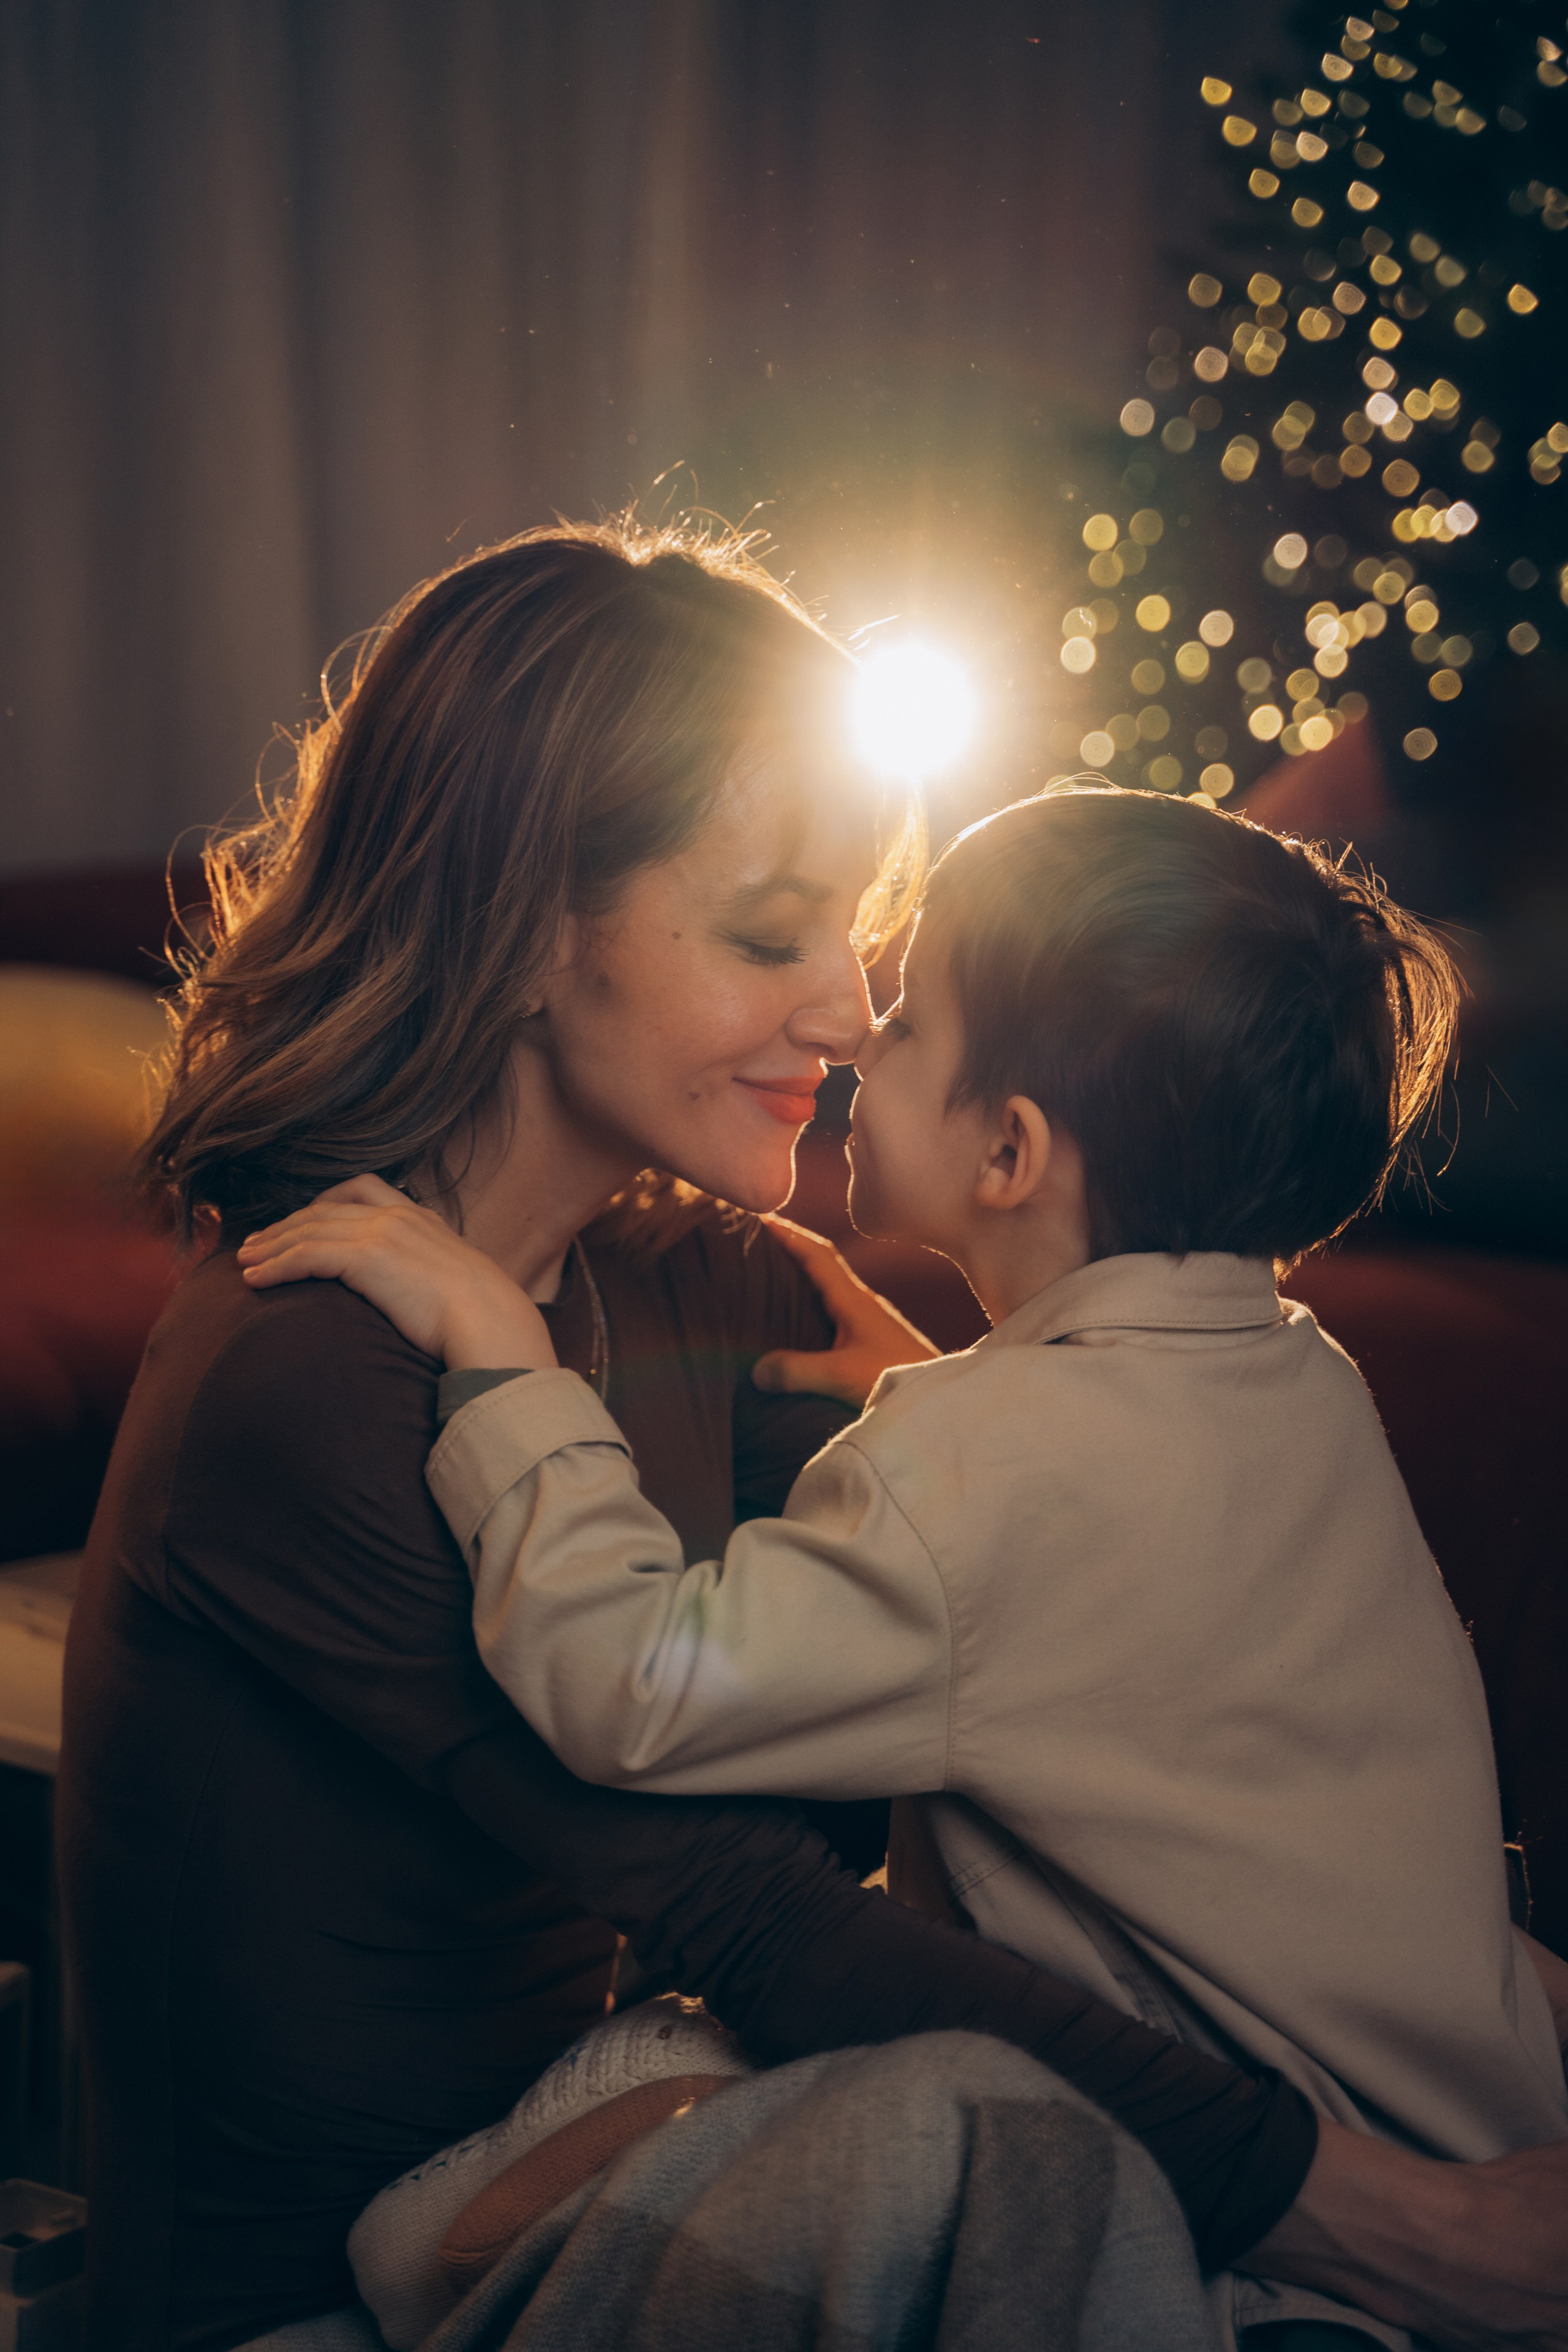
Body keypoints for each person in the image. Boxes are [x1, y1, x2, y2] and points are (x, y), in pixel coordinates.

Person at [59, 521, 1567, 2352]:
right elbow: (754, 1915)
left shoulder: (721, 1293)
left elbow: (1015, 1661)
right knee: (986, 2130)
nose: (854, 1016)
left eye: (863, 938)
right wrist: (1396, 2216)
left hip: (643, 2158)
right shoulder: (309, 1369)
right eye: (778, 933)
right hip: (325, 2304)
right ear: (529, 924)